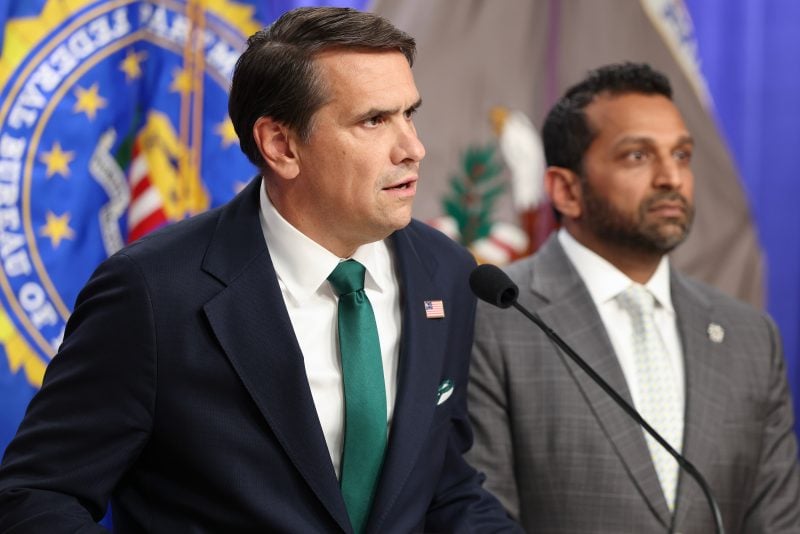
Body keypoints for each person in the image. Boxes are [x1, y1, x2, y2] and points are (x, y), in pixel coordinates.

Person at [0, 7, 520, 533]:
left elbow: (445, 487)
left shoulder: (447, 272)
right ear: (281, 145)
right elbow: (37, 495)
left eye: (410, 114)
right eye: (374, 120)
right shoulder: (152, 292)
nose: (413, 148)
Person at [466, 62, 800, 533]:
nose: (671, 177)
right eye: (637, 157)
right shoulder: (495, 319)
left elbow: (777, 521)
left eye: (681, 155)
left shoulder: (749, 335)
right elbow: (480, 516)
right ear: (566, 189)